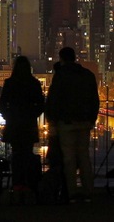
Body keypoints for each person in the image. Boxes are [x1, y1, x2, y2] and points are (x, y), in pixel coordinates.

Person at [45, 47, 99, 202]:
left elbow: (53, 100)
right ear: (75, 58)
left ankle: (72, 193)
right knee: (84, 157)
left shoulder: (60, 76)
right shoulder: (88, 75)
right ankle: (88, 192)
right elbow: (94, 100)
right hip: (84, 122)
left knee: (69, 159)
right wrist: (92, 119)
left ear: (61, 59)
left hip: (66, 123)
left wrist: (52, 121)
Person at [0, 56, 44, 193]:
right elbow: (41, 104)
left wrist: (8, 115)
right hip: (28, 123)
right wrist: (33, 114)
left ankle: (17, 183)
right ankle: (28, 182)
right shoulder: (34, 83)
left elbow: (2, 103)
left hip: (14, 123)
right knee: (28, 153)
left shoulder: (10, 83)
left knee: (16, 154)